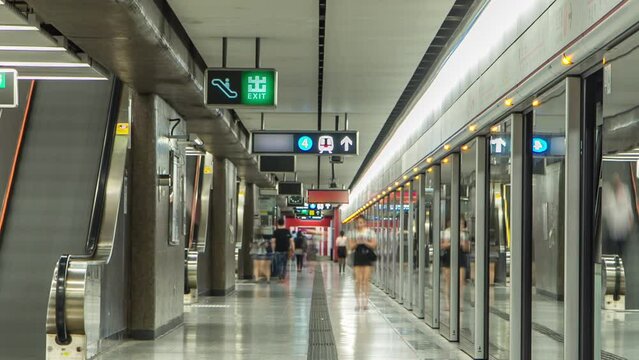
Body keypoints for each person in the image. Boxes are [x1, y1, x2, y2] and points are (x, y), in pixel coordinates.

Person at [349, 215, 377, 311]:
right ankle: (358, 303)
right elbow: (351, 246)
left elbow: (374, 245)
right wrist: (357, 242)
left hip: (367, 256)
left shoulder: (370, 232)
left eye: (361, 222)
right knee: (358, 280)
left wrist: (365, 242)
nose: (359, 224)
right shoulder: (353, 233)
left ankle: (365, 302)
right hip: (358, 256)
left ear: (365, 223)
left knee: (366, 280)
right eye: (358, 222)